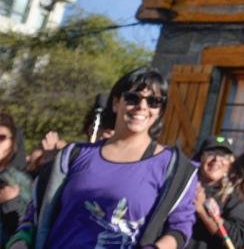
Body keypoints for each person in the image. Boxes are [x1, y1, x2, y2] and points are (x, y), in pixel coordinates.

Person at [8, 67, 199, 248]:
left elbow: (180, 228)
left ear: (160, 111)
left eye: (153, 101)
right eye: (133, 98)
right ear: (116, 103)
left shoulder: (173, 168)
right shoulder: (73, 155)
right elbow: (34, 214)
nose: (142, 107)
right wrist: (20, 242)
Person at [188, 135, 244, 249]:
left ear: (230, 163)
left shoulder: (235, 196)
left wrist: (203, 212)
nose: (217, 159)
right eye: (211, 153)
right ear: (201, 157)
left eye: (224, 156)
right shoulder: (184, 184)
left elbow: (238, 240)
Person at [0, 114, 30, 246]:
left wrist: (10, 202)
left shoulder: (20, 181)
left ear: (13, 143)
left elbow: (26, 228)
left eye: (1, 137)